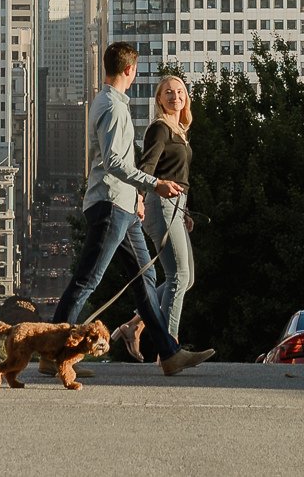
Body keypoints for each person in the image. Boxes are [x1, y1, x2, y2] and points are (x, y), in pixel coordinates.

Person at [52, 41, 215, 376]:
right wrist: (152, 186)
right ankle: (54, 352)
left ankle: (169, 354)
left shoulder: (111, 103)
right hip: (111, 203)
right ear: (131, 70)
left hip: (124, 206)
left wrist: (138, 198)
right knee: (88, 280)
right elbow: (113, 161)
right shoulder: (112, 107)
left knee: (146, 278)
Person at [137, 72, 197, 347]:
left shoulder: (179, 131)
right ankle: (169, 346)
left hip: (176, 205)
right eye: (169, 92)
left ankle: (134, 324)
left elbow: (178, 173)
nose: (176, 96)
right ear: (159, 100)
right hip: (160, 203)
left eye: (180, 92)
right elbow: (147, 168)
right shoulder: (159, 128)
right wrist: (139, 198)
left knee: (187, 278)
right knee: (178, 276)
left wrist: (185, 210)